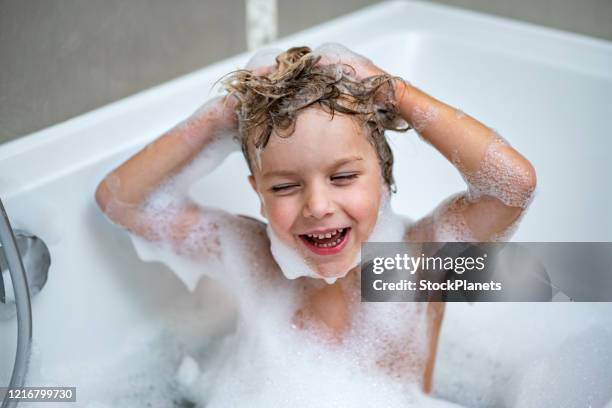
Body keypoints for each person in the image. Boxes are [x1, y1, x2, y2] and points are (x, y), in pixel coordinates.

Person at [94, 44, 536, 394]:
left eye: (343, 177)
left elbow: (512, 185)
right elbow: (122, 201)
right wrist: (219, 118)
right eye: (284, 186)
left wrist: (394, 93)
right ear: (259, 195)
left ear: (383, 180)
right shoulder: (253, 256)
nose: (317, 205)